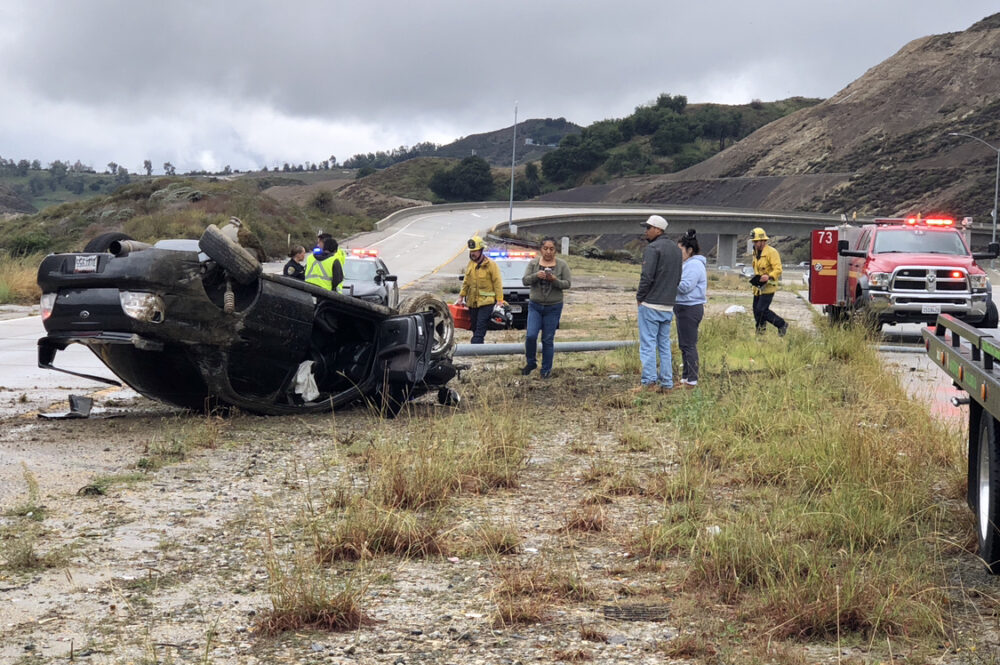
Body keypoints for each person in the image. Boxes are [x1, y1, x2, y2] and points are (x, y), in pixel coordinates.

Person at [635, 215, 682, 392]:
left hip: (651, 304)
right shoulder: (676, 250)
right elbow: (677, 278)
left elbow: (647, 277)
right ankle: (667, 383)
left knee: (647, 344)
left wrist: (640, 297)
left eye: (648, 228)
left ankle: (648, 382)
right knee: (664, 345)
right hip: (668, 305)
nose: (646, 231)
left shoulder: (653, 248)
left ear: (658, 230)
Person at [521, 237, 571, 378]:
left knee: (548, 339)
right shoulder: (533, 263)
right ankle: (531, 362)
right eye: (545, 248)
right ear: (541, 249)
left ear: (555, 250)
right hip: (535, 306)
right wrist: (537, 276)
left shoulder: (562, 265)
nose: (548, 252)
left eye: (551, 249)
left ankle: (546, 371)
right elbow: (525, 280)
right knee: (531, 335)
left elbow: (567, 283)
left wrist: (554, 280)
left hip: (553, 307)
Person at [675, 230, 707, 388]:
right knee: (684, 344)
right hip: (684, 307)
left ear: (689, 250)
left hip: (690, 307)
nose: (678, 253)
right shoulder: (688, 264)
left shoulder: (694, 265)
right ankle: (686, 378)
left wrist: (670, 281)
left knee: (689, 345)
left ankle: (692, 380)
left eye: (680, 250)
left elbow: (686, 287)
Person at [457, 235, 504, 344]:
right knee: (474, 326)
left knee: (480, 326)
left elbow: (497, 283)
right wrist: (461, 296)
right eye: (471, 251)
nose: (473, 253)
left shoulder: (491, 265)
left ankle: (475, 346)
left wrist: (500, 300)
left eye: (475, 251)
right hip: (472, 302)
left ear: (481, 250)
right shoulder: (471, 265)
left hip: (486, 302)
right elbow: (466, 282)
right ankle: (479, 346)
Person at [749, 227, 788, 336]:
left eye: (757, 241)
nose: (755, 243)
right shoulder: (755, 252)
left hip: (768, 287)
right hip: (758, 287)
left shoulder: (772, 252)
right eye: (754, 241)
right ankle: (760, 333)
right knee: (757, 312)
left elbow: (778, 269)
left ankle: (781, 324)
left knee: (762, 310)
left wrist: (769, 276)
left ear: (763, 241)